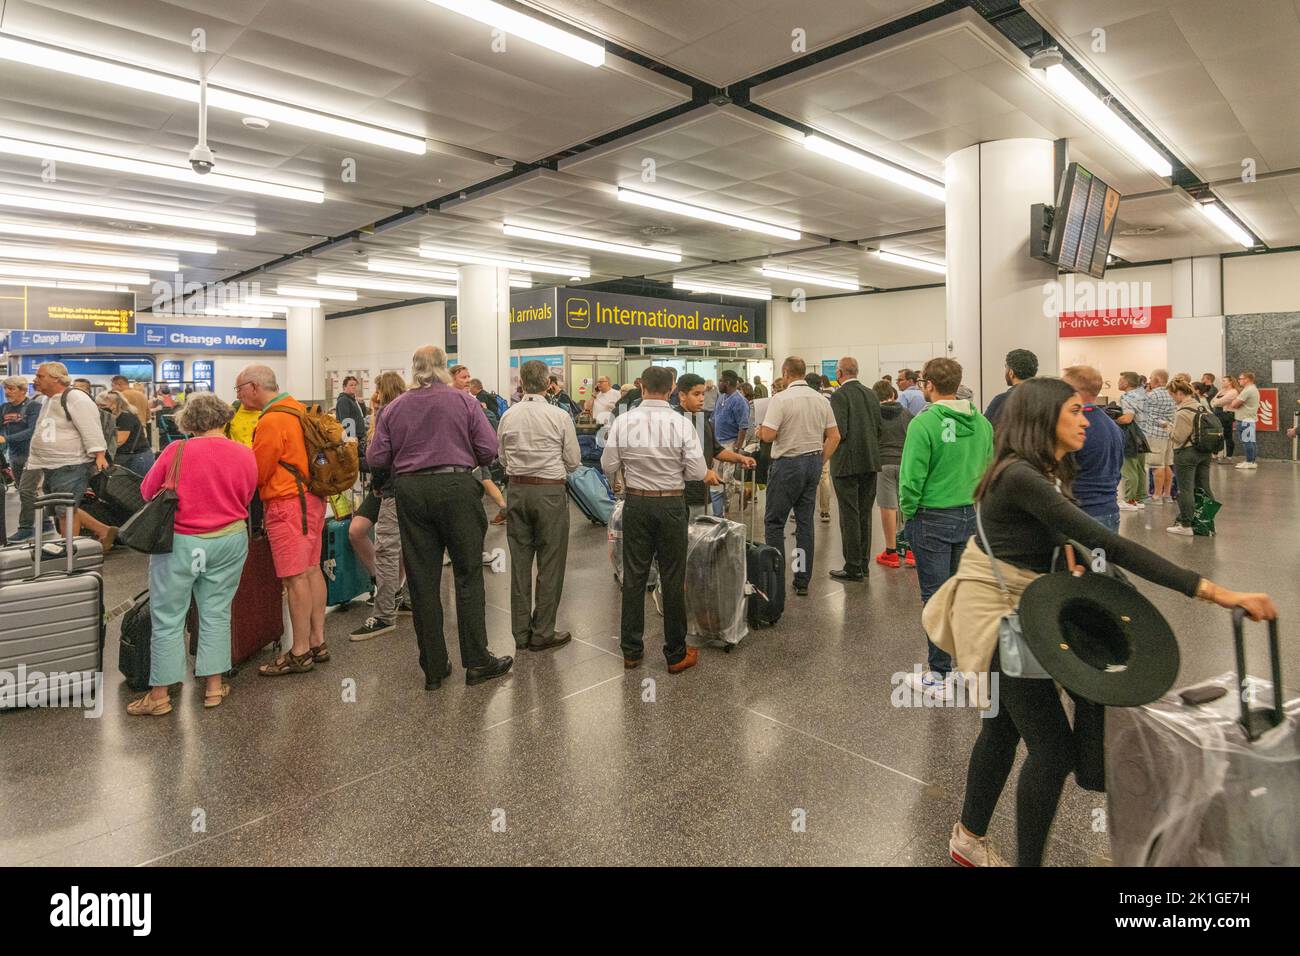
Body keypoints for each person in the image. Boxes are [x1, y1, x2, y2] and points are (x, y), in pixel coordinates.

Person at [927, 377, 1276, 867]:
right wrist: (1215, 591)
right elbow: (1110, 544)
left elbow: (1058, 539)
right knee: (1051, 752)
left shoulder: (1035, 472)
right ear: (1043, 420)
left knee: (1003, 730)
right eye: (1073, 411)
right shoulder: (1021, 476)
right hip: (1000, 618)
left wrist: (1059, 549)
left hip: (1018, 611)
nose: (1084, 419)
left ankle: (967, 837)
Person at [368, 346, 513, 690]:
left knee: (422, 579)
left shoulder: (394, 407)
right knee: (467, 574)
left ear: (413, 369)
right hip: (456, 486)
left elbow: (376, 457)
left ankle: (434, 667)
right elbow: (488, 449)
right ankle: (477, 661)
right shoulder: (463, 401)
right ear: (444, 369)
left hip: (412, 492)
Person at [126, 394, 258, 716]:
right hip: (229, 540)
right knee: (216, 612)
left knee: (168, 617)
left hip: (183, 543)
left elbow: (146, 492)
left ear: (189, 421)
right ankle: (213, 688)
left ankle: (159, 696)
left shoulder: (177, 450)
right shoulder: (244, 453)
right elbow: (249, 493)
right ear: (224, 417)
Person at [601, 365, 706, 673]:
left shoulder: (624, 421)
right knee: (673, 577)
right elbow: (698, 472)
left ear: (642, 387)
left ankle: (631, 651)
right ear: (672, 389)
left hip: (636, 503)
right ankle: (675, 654)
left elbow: (608, 464)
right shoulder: (682, 423)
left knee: (633, 577)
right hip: (672, 503)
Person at [898, 357, 992, 695]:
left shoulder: (923, 425)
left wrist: (909, 515)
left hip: (932, 517)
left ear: (928, 385)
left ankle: (939, 675)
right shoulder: (981, 423)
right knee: (960, 594)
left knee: (935, 596)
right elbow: (988, 469)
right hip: (970, 514)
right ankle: (964, 667)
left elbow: (910, 480)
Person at [235, 365, 329, 677]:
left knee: (294, 578)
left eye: (239, 389)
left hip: (288, 504)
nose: (238, 396)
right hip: (312, 500)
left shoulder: (272, 419)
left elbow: (257, 471)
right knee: (312, 569)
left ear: (253, 387)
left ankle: (299, 651)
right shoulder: (298, 409)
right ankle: (317, 640)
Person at [498, 359, 581, 652]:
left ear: (521, 384)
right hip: (549, 492)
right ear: (548, 384)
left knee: (520, 564)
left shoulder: (508, 415)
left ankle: (520, 633)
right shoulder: (559, 416)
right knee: (550, 562)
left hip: (517, 490)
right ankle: (543, 631)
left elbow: (502, 458)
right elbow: (573, 461)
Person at [758, 356, 841, 598]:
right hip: (812, 461)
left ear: (785, 373)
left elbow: (769, 435)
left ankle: (775, 580)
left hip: (787, 465)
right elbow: (834, 436)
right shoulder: (821, 400)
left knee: (775, 523)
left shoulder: (780, 399)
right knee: (805, 524)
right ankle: (801, 579)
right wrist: (820, 460)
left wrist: (761, 430)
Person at [348, 372, 411, 641]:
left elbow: (380, 457)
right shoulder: (399, 411)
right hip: (390, 486)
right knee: (358, 530)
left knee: (390, 547)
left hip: (389, 486)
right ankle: (389, 588)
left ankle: (387, 609)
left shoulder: (390, 413)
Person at [25, 362, 108, 541]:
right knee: (62, 509)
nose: (35, 380)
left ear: (56, 378)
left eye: (40, 376)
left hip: (71, 464)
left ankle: (68, 550)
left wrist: (99, 454)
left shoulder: (76, 397)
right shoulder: (47, 399)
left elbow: (90, 427)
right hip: (51, 464)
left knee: (65, 511)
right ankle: (102, 531)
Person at [827, 357, 882, 581]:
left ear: (839, 374)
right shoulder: (871, 394)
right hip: (870, 461)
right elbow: (878, 428)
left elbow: (839, 431)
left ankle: (852, 565)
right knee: (865, 514)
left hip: (846, 464)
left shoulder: (839, 396)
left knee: (849, 514)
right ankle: (864, 563)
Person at [677, 374, 756, 510]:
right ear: (683, 395)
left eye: (703, 394)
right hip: (683, 495)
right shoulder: (676, 421)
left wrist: (740, 458)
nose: (702, 399)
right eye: (696, 394)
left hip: (702, 493)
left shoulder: (702, 419)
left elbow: (716, 450)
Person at [1060, 365, 1123, 533]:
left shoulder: (1073, 427)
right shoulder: (1113, 426)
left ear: (1074, 390)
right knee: (1101, 560)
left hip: (1083, 514)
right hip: (1109, 510)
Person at [872, 380, 913, 568]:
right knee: (906, 503)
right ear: (894, 395)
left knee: (888, 506)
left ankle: (891, 552)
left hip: (883, 463)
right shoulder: (907, 414)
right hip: (904, 463)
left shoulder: (873, 415)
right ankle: (912, 550)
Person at [1167, 377, 1213, 536]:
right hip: (1204, 452)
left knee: (1186, 489)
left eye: (1172, 395)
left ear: (1179, 393)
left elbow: (1178, 437)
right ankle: (1206, 523)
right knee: (1204, 488)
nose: (1172, 399)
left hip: (1186, 454)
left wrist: (1167, 427)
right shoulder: (1201, 407)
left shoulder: (1182, 412)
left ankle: (1185, 525)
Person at [2, 376, 41, 541]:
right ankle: (45, 522)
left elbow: (33, 431)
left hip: (33, 455)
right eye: (6, 388)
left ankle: (26, 528)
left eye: (12, 389)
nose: (7, 392)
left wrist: (7, 439)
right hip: (14, 456)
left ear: (23, 390)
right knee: (24, 490)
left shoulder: (34, 407)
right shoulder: (4, 408)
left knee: (26, 491)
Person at [710, 369, 750, 516]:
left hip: (731, 443)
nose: (718, 383)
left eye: (720, 381)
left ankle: (725, 509)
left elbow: (743, 426)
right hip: (718, 443)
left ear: (726, 383)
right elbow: (713, 419)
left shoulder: (739, 401)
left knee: (727, 478)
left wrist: (737, 448)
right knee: (718, 478)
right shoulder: (721, 397)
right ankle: (742, 489)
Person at [1115, 371, 1149, 508]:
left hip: (1131, 436)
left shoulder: (1127, 397)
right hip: (1144, 435)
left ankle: (1129, 499)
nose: (1118, 382)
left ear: (1126, 383)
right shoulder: (1143, 395)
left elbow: (1127, 418)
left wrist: (1112, 420)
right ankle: (1140, 498)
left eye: (1120, 379)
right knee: (1140, 469)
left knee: (1129, 469)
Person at [1142, 369, 1176, 501]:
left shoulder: (1151, 396)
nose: (1149, 381)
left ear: (1156, 380)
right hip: (1169, 434)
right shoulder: (1171, 394)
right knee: (1167, 464)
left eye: (1151, 378)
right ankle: (1167, 494)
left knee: (1157, 466)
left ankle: (1156, 495)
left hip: (1155, 435)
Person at [982, 349, 1038, 428]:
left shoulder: (1001, 400)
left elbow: (985, 430)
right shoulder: (1044, 399)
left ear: (1011, 373)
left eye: (1006, 367)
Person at [107, 390, 155, 476]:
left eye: (103, 405)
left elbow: (118, 441)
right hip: (129, 456)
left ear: (114, 405)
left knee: (137, 485)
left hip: (137, 457)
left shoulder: (125, 417)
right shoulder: (115, 417)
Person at [1228, 371, 1260, 470]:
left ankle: (1250, 462)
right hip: (1248, 419)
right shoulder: (1251, 389)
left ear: (1247, 379)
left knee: (1248, 442)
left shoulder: (1248, 390)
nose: (1238, 381)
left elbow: (1234, 404)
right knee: (1250, 441)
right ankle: (1251, 461)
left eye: (1240, 379)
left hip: (1245, 420)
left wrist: (1234, 402)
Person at [1211, 375, 1239, 460]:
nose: (1222, 382)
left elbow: (1221, 402)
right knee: (1216, 434)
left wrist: (1215, 403)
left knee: (1227, 435)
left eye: (1224, 381)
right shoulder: (1221, 391)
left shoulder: (1233, 391)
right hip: (1217, 414)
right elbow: (1212, 401)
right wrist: (1215, 403)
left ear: (1230, 382)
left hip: (1226, 415)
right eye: (1222, 380)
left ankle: (1229, 456)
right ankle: (1215, 454)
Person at [334, 375, 368, 442]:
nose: (354, 387)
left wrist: (361, 404)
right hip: (354, 438)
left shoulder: (352, 399)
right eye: (351, 385)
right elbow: (345, 421)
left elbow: (363, 415)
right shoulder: (343, 400)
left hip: (360, 436)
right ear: (344, 387)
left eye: (355, 385)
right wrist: (352, 438)